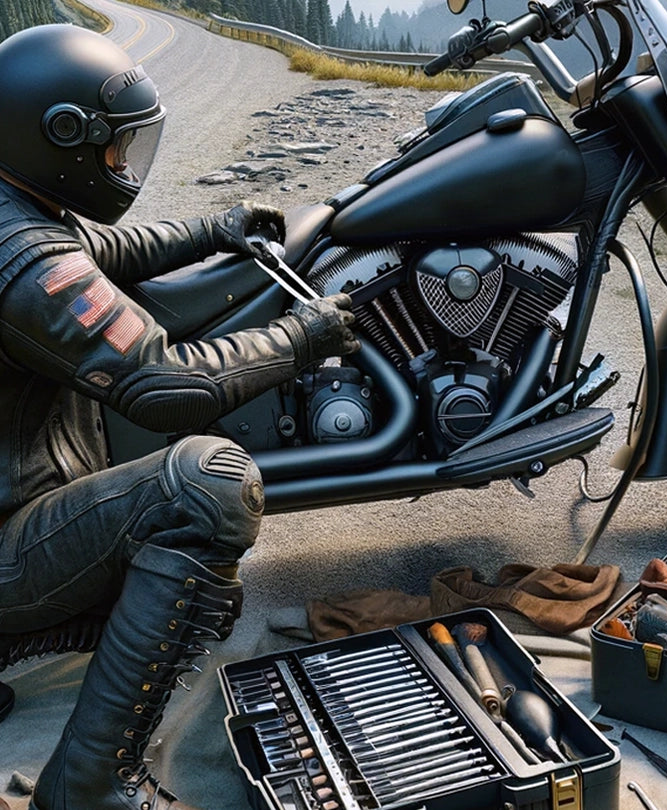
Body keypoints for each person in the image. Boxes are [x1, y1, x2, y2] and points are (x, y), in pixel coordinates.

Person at [0, 24, 360, 810]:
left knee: (200, 599)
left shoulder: (15, 210)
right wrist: (304, 336)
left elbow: (98, 255)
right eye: (113, 149)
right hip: (5, 547)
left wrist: (210, 229)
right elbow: (165, 388)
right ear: (61, 135)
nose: (122, 165)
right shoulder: (22, 261)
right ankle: (86, 788)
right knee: (209, 487)